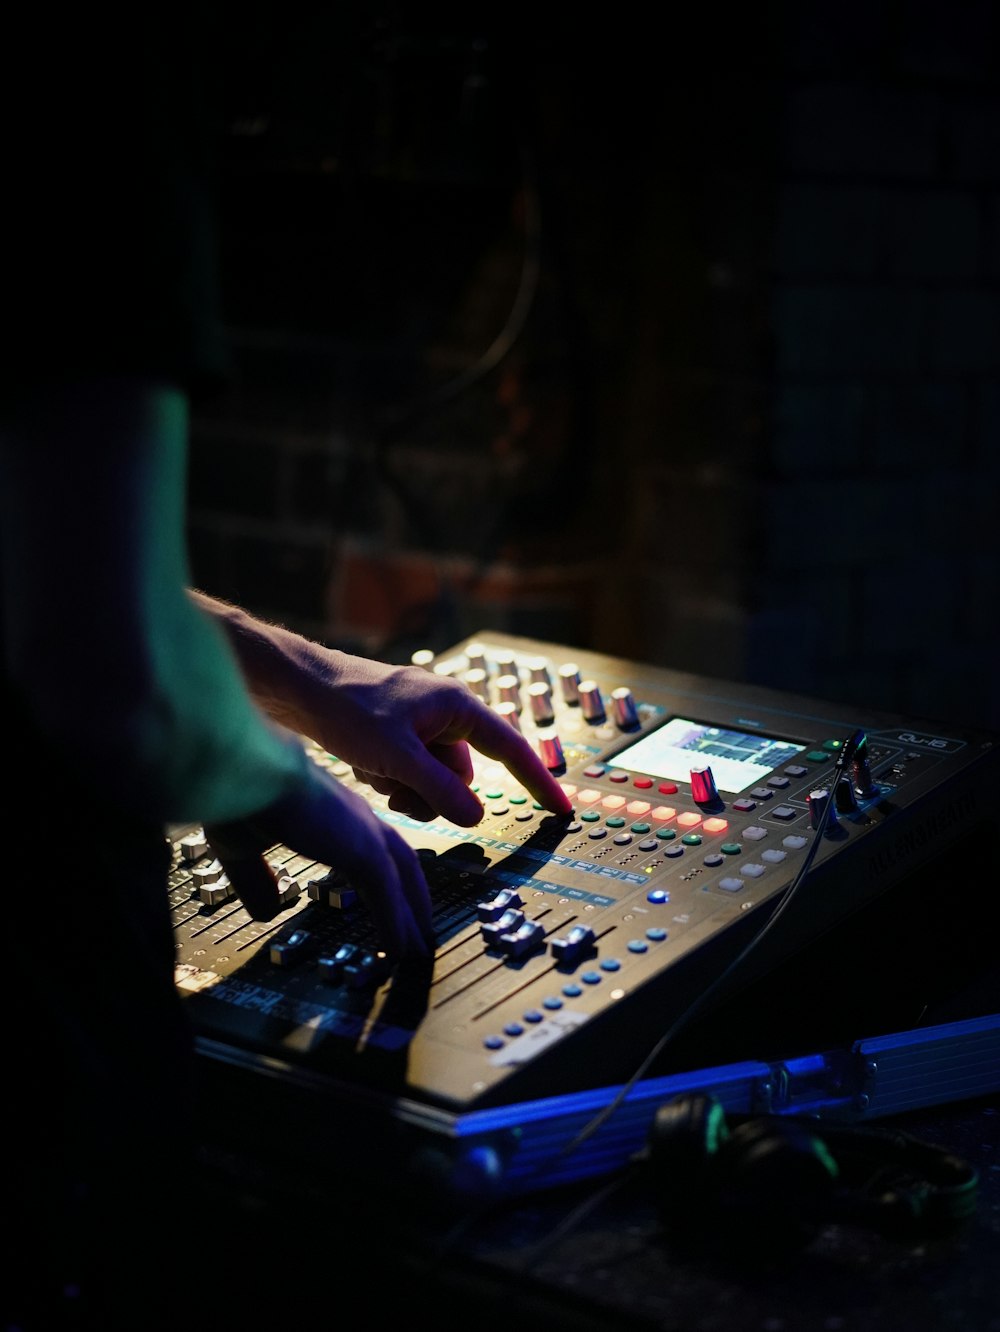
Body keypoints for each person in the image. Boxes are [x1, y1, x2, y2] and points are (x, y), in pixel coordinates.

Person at [1, 9, 571, 1329]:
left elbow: (36, 544)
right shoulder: (102, 71)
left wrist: (308, 677)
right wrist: (286, 784)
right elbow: (107, 666)